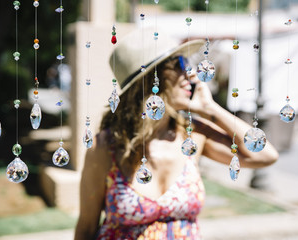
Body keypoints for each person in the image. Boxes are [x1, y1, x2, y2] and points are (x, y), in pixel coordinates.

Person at [74, 29, 279, 240]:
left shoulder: (194, 135)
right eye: (179, 64)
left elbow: (265, 155)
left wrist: (211, 108)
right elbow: (86, 228)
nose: (190, 73)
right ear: (150, 80)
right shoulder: (106, 147)